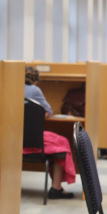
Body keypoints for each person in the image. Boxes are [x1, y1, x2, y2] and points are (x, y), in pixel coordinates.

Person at [24, 66, 75, 199]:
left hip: (13, 140)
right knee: (62, 143)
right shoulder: (35, 90)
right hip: (31, 142)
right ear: (35, 80)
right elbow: (49, 111)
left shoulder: (11, 87)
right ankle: (56, 188)